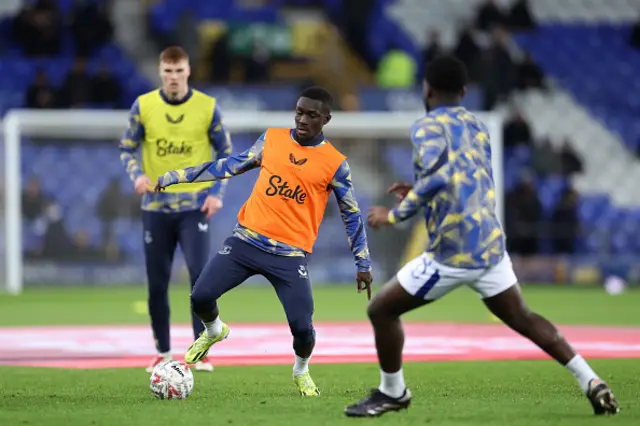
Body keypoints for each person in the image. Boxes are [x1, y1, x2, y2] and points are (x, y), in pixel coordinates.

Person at [344, 56, 619, 417]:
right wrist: (420, 188)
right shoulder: (476, 126)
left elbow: (437, 178)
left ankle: (393, 392)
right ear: (464, 91)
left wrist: (397, 213)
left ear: (426, 89)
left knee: (381, 310)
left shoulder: (426, 127)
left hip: (452, 255)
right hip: (489, 246)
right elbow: (464, 177)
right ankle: (591, 381)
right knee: (523, 317)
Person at [155, 86, 374, 396]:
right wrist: (179, 176)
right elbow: (228, 165)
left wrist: (363, 263)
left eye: (311, 115)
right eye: (299, 112)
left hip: (289, 256)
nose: (302, 119)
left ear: (326, 119)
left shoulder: (335, 163)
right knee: (200, 297)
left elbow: (351, 214)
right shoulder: (272, 139)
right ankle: (214, 331)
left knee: (302, 328)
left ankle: (301, 370)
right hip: (245, 242)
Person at [119, 46, 232, 373]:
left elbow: (225, 151)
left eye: (179, 71)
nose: (173, 77)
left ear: (188, 71)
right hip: (155, 207)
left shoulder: (207, 107)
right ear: (160, 72)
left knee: (200, 280)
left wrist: (217, 191)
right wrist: (136, 174)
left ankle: (201, 350)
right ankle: (163, 352)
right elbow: (127, 146)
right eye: (167, 72)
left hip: (195, 206)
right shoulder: (143, 106)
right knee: (157, 282)